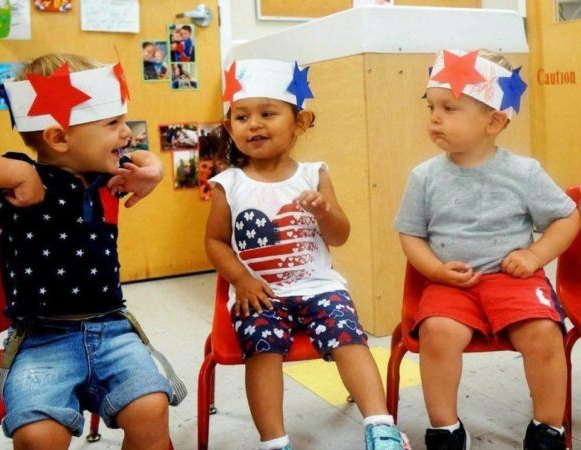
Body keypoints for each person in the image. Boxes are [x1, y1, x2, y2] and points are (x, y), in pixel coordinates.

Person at [0, 53, 186, 450]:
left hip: (112, 329)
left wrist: (153, 169)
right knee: (38, 435)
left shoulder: (108, 173)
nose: (127, 134)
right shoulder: (19, 179)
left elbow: (142, 156)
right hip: (42, 338)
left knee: (152, 409)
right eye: (113, 124)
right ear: (58, 138)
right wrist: (14, 173)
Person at [205, 59, 408, 450]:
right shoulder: (227, 184)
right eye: (242, 117)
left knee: (349, 337)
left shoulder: (314, 174)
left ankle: (380, 425)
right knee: (262, 351)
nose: (254, 124)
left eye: (268, 114)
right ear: (230, 128)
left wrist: (324, 212)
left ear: (299, 122)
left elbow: (340, 235)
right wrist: (242, 280)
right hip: (260, 292)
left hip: (318, 286)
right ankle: (274, 441)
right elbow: (215, 242)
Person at [394, 49, 580, 450]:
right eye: (431, 108)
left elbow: (568, 218)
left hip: (514, 281)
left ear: (494, 121)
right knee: (438, 334)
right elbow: (411, 235)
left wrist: (534, 256)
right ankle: (445, 428)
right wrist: (435, 271)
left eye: (449, 108)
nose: (435, 118)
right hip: (451, 282)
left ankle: (549, 427)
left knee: (545, 334)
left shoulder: (523, 172)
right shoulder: (424, 177)